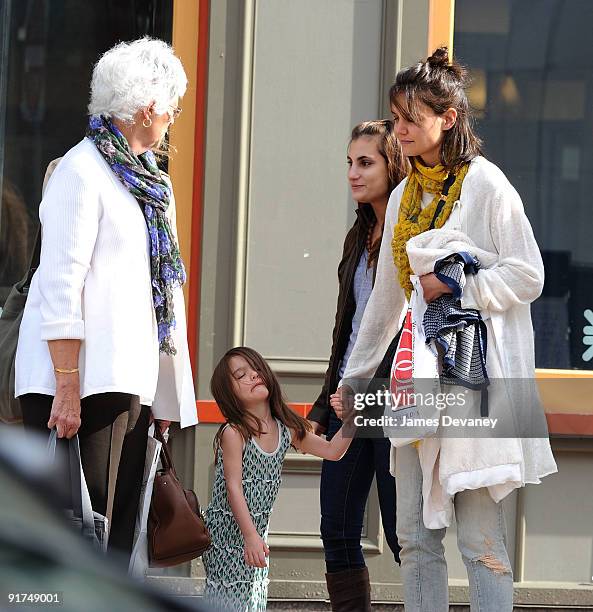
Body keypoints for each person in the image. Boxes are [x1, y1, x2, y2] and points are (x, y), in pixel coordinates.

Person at [333, 48, 557, 612]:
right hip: (418, 377)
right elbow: (387, 299)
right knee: (412, 534)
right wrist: (354, 378)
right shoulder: (407, 193)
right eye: (396, 116)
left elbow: (529, 273)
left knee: (480, 536)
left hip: (479, 378)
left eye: (411, 118)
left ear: (448, 119)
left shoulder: (486, 184)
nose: (399, 129)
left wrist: (458, 286)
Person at [14, 37, 198, 559]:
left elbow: (162, 295)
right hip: (83, 384)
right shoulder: (81, 171)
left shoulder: (151, 185)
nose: (171, 121)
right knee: (80, 534)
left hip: (128, 383)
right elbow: (59, 283)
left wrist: (166, 392)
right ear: (149, 108)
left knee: (115, 539)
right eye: (173, 109)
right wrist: (67, 387)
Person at [306, 120, 406, 611]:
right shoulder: (359, 236)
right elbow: (345, 330)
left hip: (396, 402)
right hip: (349, 401)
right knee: (337, 529)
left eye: (365, 162)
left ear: (394, 164)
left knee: (403, 533)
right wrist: (328, 404)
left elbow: (408, 332)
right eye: (349, 162)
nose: (353, 172)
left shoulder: (412, 236)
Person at [202, 347, 356, 612]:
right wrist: (249, 536)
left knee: (253, 598)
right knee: (230, 600)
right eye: (241, 375)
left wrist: (355, 418)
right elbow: (233, 488)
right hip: (228, 536)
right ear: (229, 394)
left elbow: (333, 451)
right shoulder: (234, 432)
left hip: (256, 535)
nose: (253, 375)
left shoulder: (286, 428)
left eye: (256, 369)